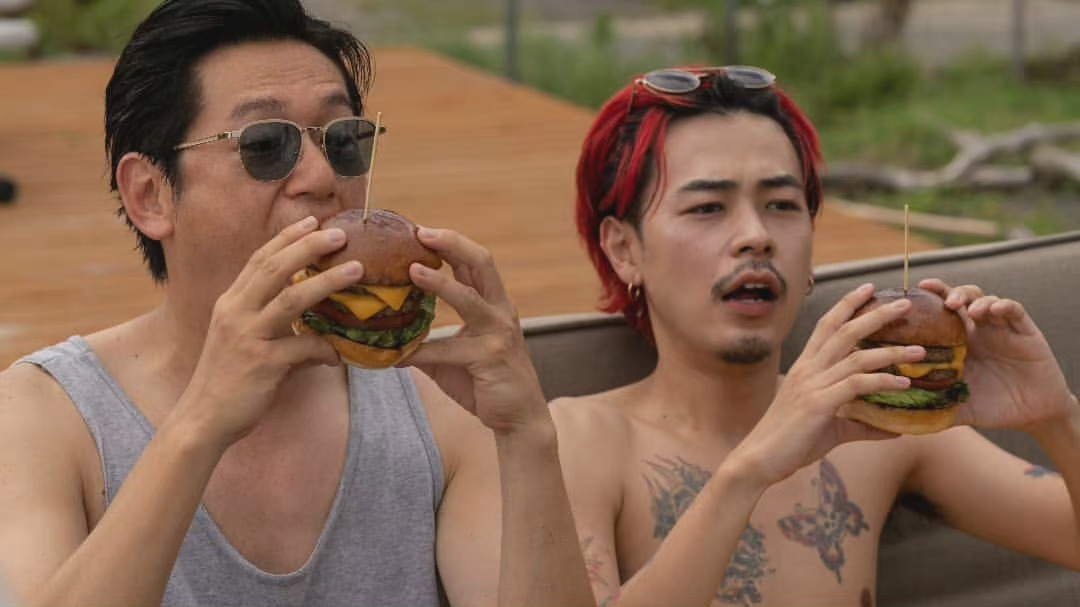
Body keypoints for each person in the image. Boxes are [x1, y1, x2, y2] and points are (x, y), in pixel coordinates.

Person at [0, 2, 593, 606]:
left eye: (344, 140)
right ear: (150, 195)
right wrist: (200, 425)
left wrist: (526, 435)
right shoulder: (46, 414)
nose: (320, 177)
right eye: (266, 145)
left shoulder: (438, 407)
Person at [552, 65, 1080, 606]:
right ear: (624, 250)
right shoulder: (577, 443)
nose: (756, 235)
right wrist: (748, 472)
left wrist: (1056, 418)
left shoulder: (879, 424)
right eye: (707, 208)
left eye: (782, 205)